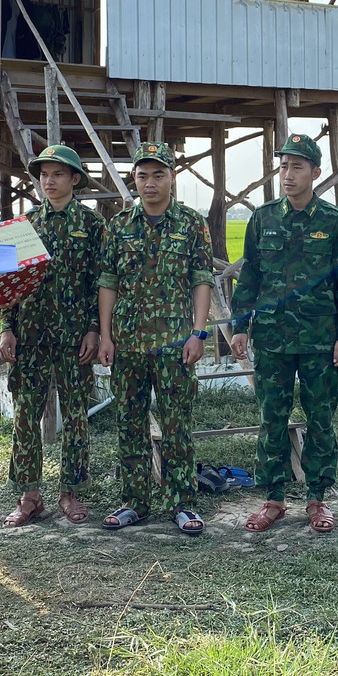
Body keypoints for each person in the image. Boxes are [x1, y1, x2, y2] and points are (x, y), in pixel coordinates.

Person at [230, 134, 338, 534]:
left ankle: (317, 499)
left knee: (321, 419)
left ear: (315, 173)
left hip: (321, 341)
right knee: (272, 419)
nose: (287, 174)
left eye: (297, 166)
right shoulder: (263, 218)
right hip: (271, 338)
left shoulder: (335, 221)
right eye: (283, 166)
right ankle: (273, 499)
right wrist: (239, 327)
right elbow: (249, 277)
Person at [96, 141, 214, 536]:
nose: (149, 183)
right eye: (142, 176)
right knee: (130, 423)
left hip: (175, 343)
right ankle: (134, 500)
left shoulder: (191, 223)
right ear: (135, 180)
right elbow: (108, 283)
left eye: (158, 175)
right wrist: (106, 336)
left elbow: (201, 279)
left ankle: (182, 502)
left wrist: (198, 332)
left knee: (177, 422)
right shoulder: (118, 227)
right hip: (128, 343)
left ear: (171, 178)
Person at [0, 145, 104, 527]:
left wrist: (95, 328)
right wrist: (7, 327)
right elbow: (8, 283)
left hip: (75, 337)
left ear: (74, 179)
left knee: (76, 414)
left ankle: (69, 492)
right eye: (44, 174)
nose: (49, 181)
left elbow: (101, 283)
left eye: (58, 174)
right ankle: (29, 496)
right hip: (31, 336)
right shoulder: (25, 225)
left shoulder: (92, 226)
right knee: (26, 414)